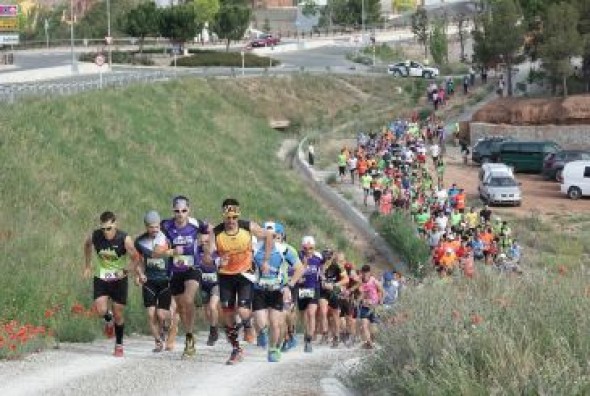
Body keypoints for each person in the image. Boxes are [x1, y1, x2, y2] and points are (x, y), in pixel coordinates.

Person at [206, 198, 273, 365]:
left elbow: (269, 236)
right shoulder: (216, 232)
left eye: (234, 217)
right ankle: (236, 349)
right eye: (228, 217)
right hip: (225, 275)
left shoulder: (248, 226)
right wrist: (217, 260)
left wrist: (265, 260)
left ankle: (248, 325)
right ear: (223, 216)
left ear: (238, 215)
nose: (231, 221)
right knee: (228, 314)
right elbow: (208, 256)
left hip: (245, 273)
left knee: (243, 310)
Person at [83, 211, 139, 357]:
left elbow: (136, 258)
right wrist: (88, 266)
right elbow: (87, 245)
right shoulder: (96, 235)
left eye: (109, 228)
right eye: (103, 229)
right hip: (101, 276)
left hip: (119, 279)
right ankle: (108, 320)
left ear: (115, 224)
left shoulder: (125, 239)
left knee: (118, 313)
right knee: (100, 309)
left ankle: (119, 345)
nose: (106, 232)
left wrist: (126, 271)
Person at [161, 196, 210, 359]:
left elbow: (209, 229)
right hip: (175, 270)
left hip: (192, 268)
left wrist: (206, 241)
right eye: (177, 211)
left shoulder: (196, 223)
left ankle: (189, 339)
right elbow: (154, 237)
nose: (180, 214)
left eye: (183, 211)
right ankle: (186, 333)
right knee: (181, 307)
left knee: (188, 300)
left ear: (189, 210)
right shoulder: (165, 225)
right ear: (173, 211)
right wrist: (168, 250)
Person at [252, 221, 303, 362]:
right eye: (267, 235)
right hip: (258, 289)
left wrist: (289, 285)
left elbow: (300, 268)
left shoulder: (285, 250)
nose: (271, 239)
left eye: (274, 236)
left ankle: (274, 349)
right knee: (262, 323)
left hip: (277, 290)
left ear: (280, 236)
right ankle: (262, 333)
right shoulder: (254, 249)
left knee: (276, 322)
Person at [134, 211, 173, 353]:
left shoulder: (167, 238)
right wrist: (139, 274)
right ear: (146, 227)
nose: (154, 230)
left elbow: (175, 255)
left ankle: (171, 320)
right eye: (151, 227)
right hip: (149, 281)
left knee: (161, 314)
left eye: (157, 227)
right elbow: (137, 262)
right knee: (151, 314)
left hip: (165, 281)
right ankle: (157, 341)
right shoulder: (139, 242)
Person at [297, 235, 324, 353]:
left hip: (314, 288)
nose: (308, 250)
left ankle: (309, 339)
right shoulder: (298, 256)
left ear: (314, 248)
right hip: (302, 288)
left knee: (311, 313)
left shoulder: (318, 258)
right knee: (303, 315)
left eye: (311, 248)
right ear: (302, 248)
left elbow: (323, 270)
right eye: (305, 248)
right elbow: (296, 272)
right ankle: (306, 332)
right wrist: (303, 264)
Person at [318, 251, 349, 348]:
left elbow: (346, 279)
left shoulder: (338, 266)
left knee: (336, 315)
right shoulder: (319, 266)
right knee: (323, 312)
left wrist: (334, 285)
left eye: (329, 257)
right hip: (323, 292)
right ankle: (325, 334)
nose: (327, 259)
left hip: (334, 291)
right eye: (325, 257)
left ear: (332, 257)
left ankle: (336, 336)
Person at [358, 265, 383, 349]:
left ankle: (372, 341)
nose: (365, 274)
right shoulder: (360, 281)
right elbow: (361, 294)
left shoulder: (374, 281)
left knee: (374, 326)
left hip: (374, 306)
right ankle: (369, 343)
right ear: (362, 272)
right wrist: (359, 300)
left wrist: (380, 301)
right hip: (364, 306)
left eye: (367, 272)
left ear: (369, 272)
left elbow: (382, 290)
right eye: (363, 272)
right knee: (364, 325)